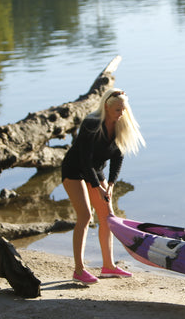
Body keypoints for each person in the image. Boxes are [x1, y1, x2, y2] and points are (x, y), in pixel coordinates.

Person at [61, 88, 145, 285]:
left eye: (123, 109)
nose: (121, 114)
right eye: (117, 110)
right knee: (85, 216)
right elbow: (84, 160)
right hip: (74, 169)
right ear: (107, 107)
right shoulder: (91, 124)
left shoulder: (119, 126)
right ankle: (79, 270)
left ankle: (108, 266)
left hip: (96, 170)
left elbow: (117, 158)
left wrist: (111, 184)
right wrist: (97, 186)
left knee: (107, 217)